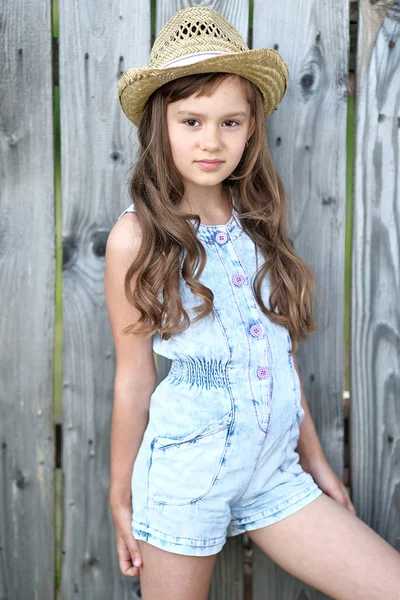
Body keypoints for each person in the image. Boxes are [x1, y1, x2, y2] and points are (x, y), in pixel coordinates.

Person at [104, 7, 400, 600]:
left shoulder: (256, 226)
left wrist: (313, 459)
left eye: (230, 122)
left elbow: (278, 352)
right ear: (159, 123)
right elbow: (134, 377)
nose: (211, 141)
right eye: (192, 120)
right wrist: (120, 494)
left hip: (272, 472)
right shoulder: (136, 237)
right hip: (188, 479)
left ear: (250, 129)